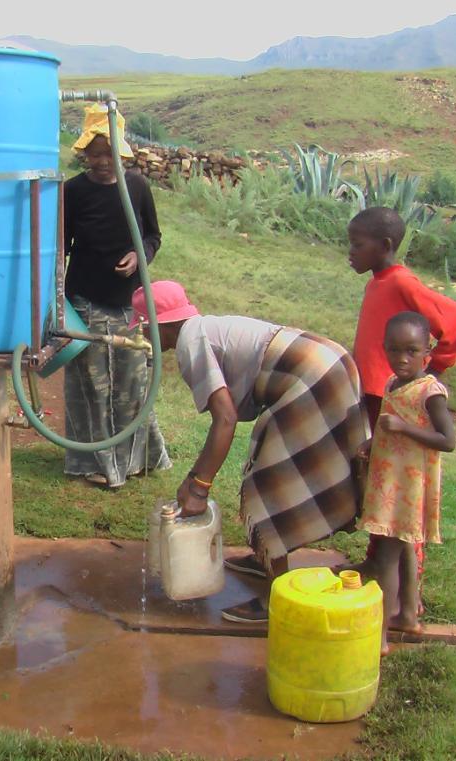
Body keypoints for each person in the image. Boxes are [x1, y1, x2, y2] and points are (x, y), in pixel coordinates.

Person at [131, 281, 369, 622]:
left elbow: (225, 419)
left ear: (159, 323)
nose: (144, 339)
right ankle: (264, 558)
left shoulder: (189, 342)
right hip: (329, 360)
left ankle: (279, 598)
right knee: (277, 469)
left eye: (143, 328)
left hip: (312, 375)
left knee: (271, 484)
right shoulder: (202, 328)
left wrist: (199, 487)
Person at [348, 206, 456, 583]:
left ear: (384, 245)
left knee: (399, 489)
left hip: (395, 403)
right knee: (380, 483)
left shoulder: (401, 282)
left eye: (358, 244)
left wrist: (433, 371)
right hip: (377, 396)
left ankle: (406, 572)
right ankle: (376, 559)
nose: (350, 251)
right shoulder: (377, 281)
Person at [63, 103, 170, 489]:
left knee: (132, 383)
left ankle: (138, 458)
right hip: (84, 299)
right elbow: (61, 245)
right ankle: (94, 462)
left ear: (121, 152)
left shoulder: (137, 187)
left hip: (131, 302)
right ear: (84, 154)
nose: (102, 161)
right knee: (91, 384)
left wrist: (139, 255)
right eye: (94, 154)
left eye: (108, 153)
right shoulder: (73, 191)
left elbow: (153, 236)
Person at [357, 312, 456, 655]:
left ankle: (380, 637)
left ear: (426, 351)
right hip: (389, 482)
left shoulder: (430, 392)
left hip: (406, 491)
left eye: (411, 351)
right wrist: (371, 444)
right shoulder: (390, 383)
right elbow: (388, 426)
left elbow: (447, 440)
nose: (402, 358)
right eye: (394, 349)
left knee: (385, 559)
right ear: (383, 348)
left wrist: (403, 429)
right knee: (403, 550)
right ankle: (409, 615)